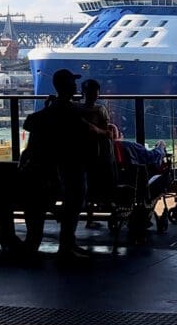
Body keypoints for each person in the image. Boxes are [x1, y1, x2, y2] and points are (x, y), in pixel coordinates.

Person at [21, 69, 104, 259]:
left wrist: (47, 108)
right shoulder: (71, 109)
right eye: (73, 83)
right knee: (74, 202)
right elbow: (88, 128)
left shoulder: (52, 110)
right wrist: (105, 133)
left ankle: (58, 243)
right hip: (69, 165)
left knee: (64, 203)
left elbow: (29, 124)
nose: (76, 86)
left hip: (48, 167)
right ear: (66, 86)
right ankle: (67, 244)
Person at [80, 79, 115, 225]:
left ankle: (90, 216)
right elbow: (106, 131)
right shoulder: (100, 110)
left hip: (82, 152)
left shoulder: (77, 109)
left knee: (88, 183)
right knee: (105, 179)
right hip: (99, 153)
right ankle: (109, 206)